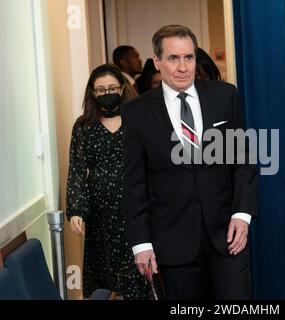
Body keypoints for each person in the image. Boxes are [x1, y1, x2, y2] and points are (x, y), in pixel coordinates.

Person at [121, 25, 258, 300]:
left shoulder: (224, 96)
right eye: (173, 58)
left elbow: (243, 160)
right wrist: (141, 245)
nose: (183, 67)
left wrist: (242, 215)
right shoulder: (136, 112)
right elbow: (133, 185)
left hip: (227, 238)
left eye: (189, 57)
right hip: (172, 245)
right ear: (157, 61)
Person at [66, 64, 147, 300]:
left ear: (122, 88)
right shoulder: (83, 126)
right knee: (104, 278)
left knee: (138, 277)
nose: (106, 93)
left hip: (136, 209)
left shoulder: (138, 120)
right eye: (100, 90)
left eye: (111, 87)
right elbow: (78, 170)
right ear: (92, 93)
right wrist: (76, 210)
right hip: (101, 214)